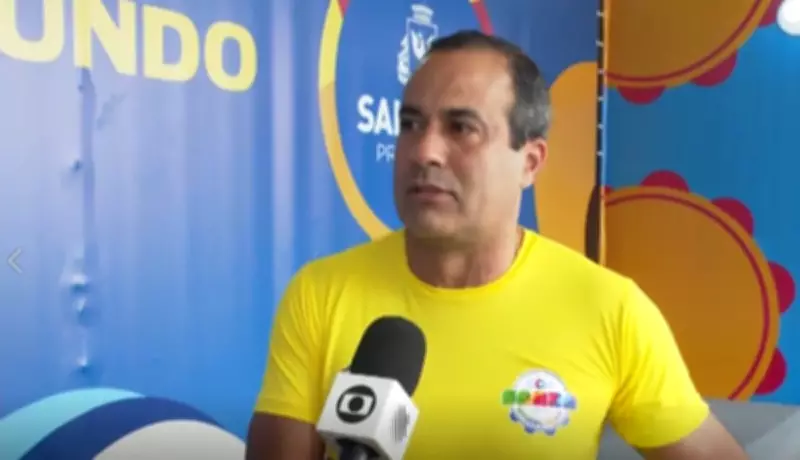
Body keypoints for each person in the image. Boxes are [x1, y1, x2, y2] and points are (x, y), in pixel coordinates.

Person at [245, 30, 748, 460]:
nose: (424, 151)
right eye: (411, 124)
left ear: (530, 162)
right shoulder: (320, 294)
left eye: (461, 128)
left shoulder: (610, 309)